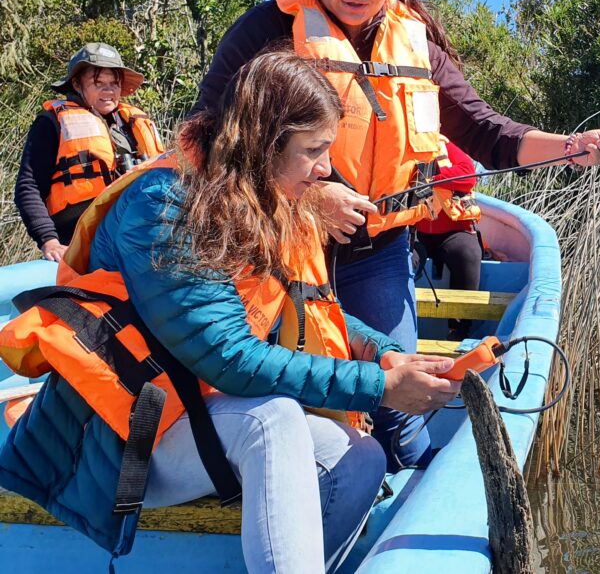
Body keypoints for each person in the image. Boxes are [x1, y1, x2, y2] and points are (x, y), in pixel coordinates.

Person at [192, 0, 600, 467]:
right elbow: (207, 134)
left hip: (377, 248)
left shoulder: (415, 40)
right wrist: (309, 195)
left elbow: (484, 129)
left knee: (399, 408)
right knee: (290, 392)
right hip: (281, 248)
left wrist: (570, 146)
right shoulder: (266, 30)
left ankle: (402, 495)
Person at [0, 51, 461, 573]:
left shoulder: (253, 192)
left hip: (196, 411)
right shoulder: (164, 205)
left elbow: (302, 307)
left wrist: (384, 352)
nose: (327, 169)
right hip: (122, 435)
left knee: (358, 458)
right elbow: (229, 358)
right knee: (274, 420)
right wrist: (379, 385)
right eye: (314, 150)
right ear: (264, 143)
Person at [15, 43, 164, 262]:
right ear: (76, 84)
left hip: (138, 233)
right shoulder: (52, 122)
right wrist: (50, 241)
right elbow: (29, 186)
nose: (109, 91)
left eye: (114, 83)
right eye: (98, 83)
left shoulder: (130, 123)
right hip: (80, 239)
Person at [415, 140, 484, 341]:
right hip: (414, 231)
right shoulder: (400, 146)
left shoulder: (446, 146)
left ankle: (460, 330)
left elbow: (467, 175)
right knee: (402, 259)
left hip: (454, 231)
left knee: (467, 253)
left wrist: (432, 179)